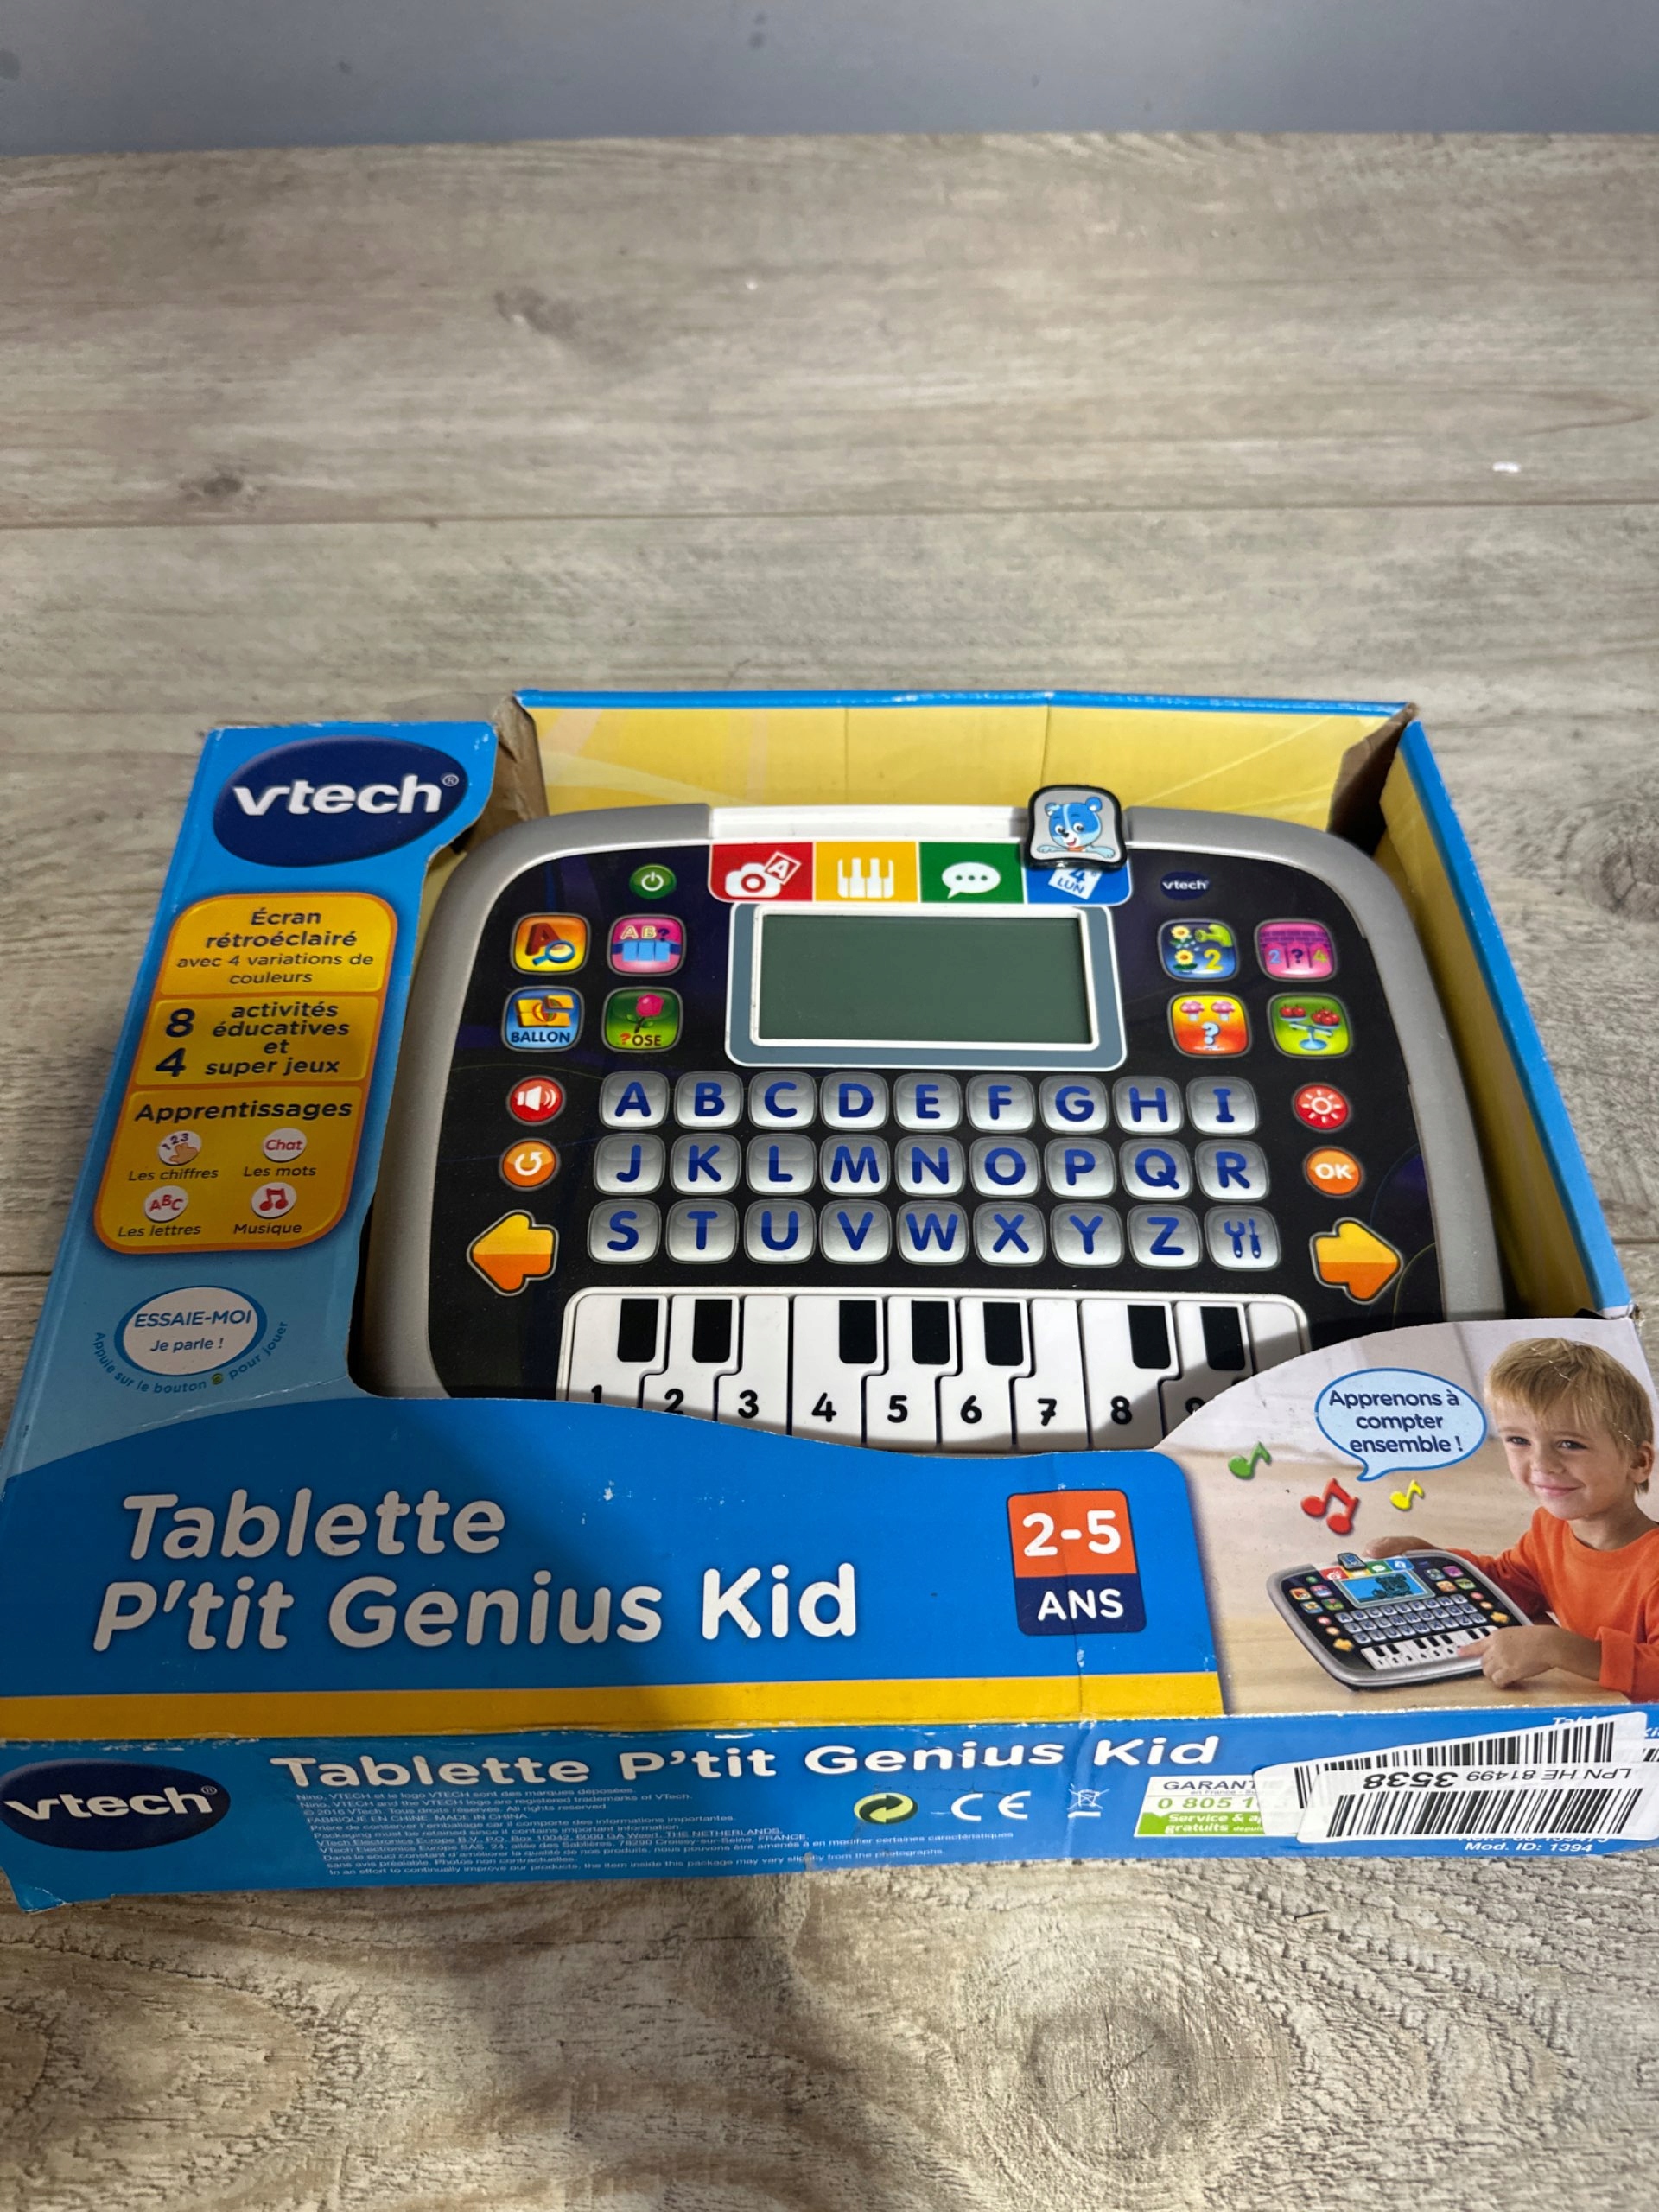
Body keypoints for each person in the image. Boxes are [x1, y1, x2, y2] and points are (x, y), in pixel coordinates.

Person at [1395, 1338, 1659, 1697]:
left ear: (1638, 1462)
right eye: (1519, 1440)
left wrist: (1558, 1647)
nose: (1541, 1464)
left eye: (1570, 1444)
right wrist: (1436, 1563)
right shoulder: (1549, 1529)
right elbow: (1508, 1584)